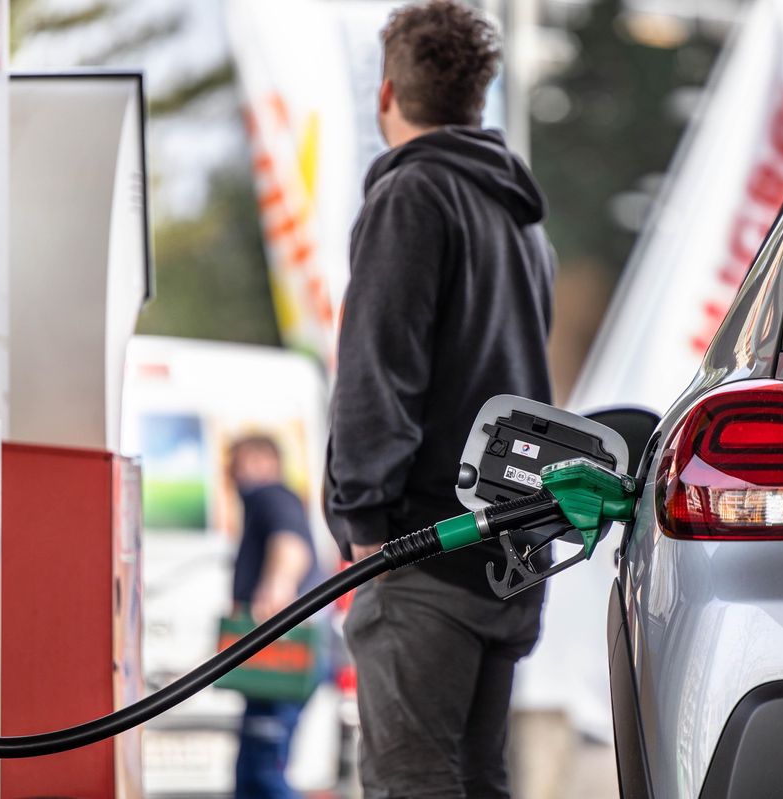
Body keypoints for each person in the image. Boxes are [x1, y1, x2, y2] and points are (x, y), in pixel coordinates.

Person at [324, 0, 556, 795]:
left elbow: (377, 371)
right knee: (476, 775)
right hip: (509, 550)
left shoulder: (412, 198)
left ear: (387, 92)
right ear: (477, 98)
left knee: (411, 778)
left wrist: (364, 526)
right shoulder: (522, 223)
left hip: (425, 545)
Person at [227, 434, 321, 799]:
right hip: (274, 654)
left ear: (260, 461)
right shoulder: (273, 499)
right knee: (252, 767)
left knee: (264, 769)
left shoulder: (271, 495)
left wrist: (275, 590)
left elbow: (291, 546)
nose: (233, 477)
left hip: (281, 652)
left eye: (237, 465)